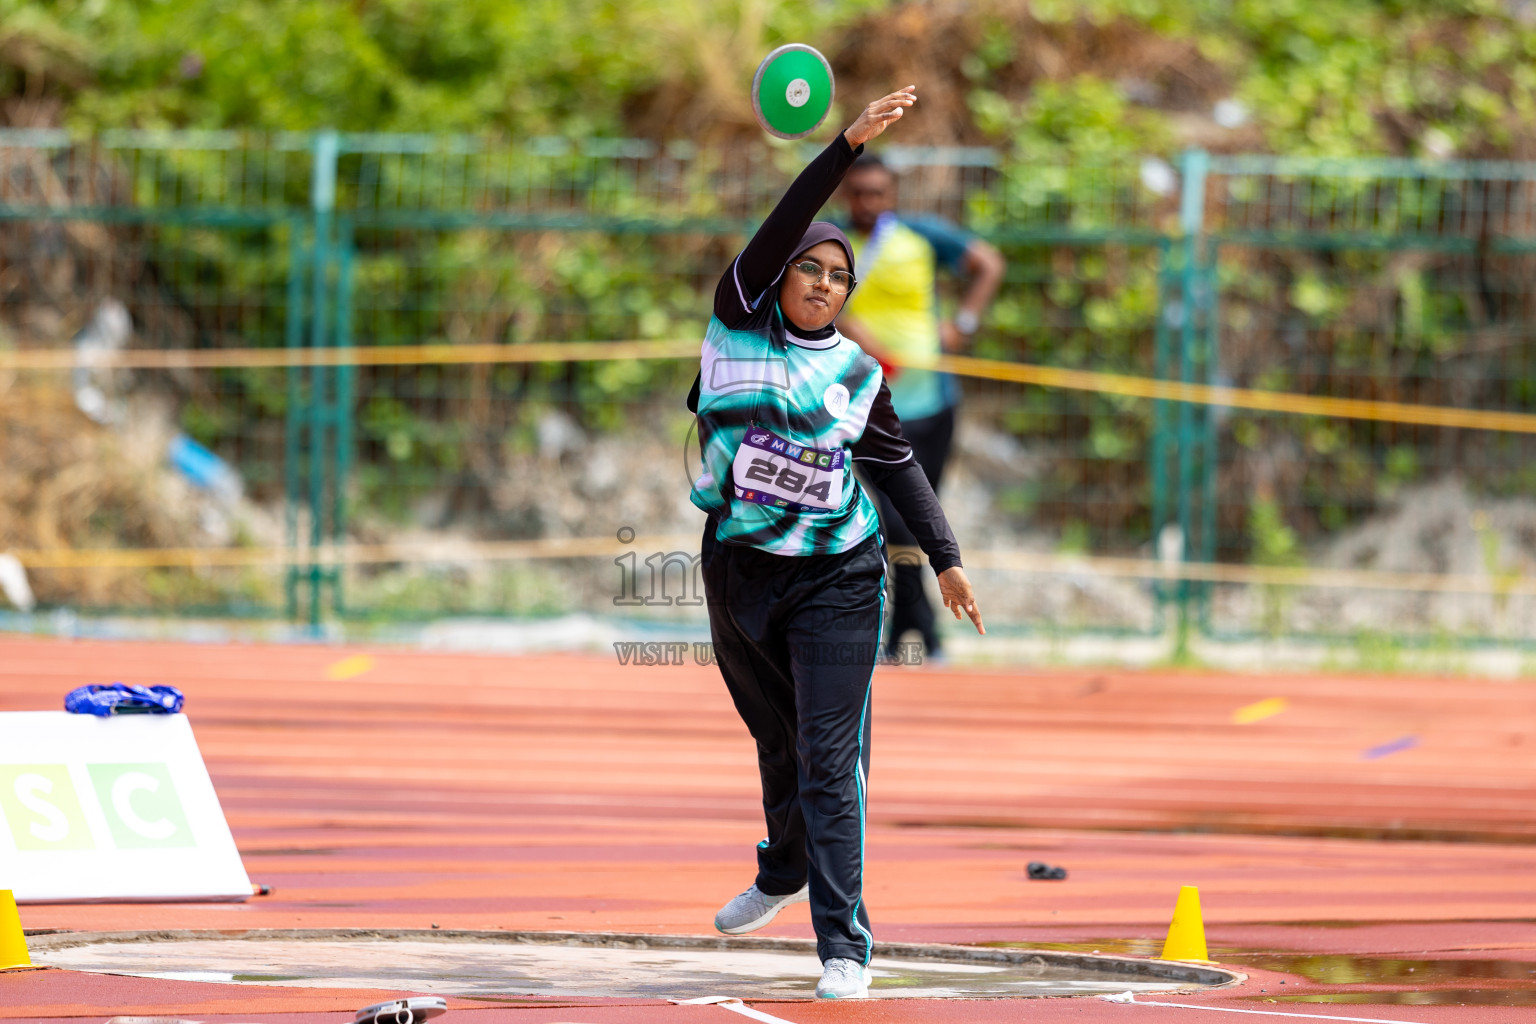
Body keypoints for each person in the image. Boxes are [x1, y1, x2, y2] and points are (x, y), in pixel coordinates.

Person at [686, 85, 984, 1000]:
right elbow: (782, 225)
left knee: (829, 753)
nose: (821, 283)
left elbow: (897, 468)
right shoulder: (735, 319)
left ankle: (844, 945)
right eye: (809, 269)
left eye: (838, 277)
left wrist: (946, 559)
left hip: (840, 579)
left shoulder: (855, 371)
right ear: (779, 277)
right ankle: (784, 868)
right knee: (775, 741)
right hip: (738, 568)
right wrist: (843, 148)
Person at [836, 156, 1005, 662]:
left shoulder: (920, 236)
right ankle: (923, 634)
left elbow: (989, 263)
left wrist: (963, 324)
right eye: (859, 193)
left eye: (877, 193)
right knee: (895, 520)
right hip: (865, 406)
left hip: (931, 404)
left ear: (892, 195)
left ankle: (903, 636)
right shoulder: (832, 244)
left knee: (913, 519)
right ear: (846, 195)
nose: (868, 202)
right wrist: (856, 334)